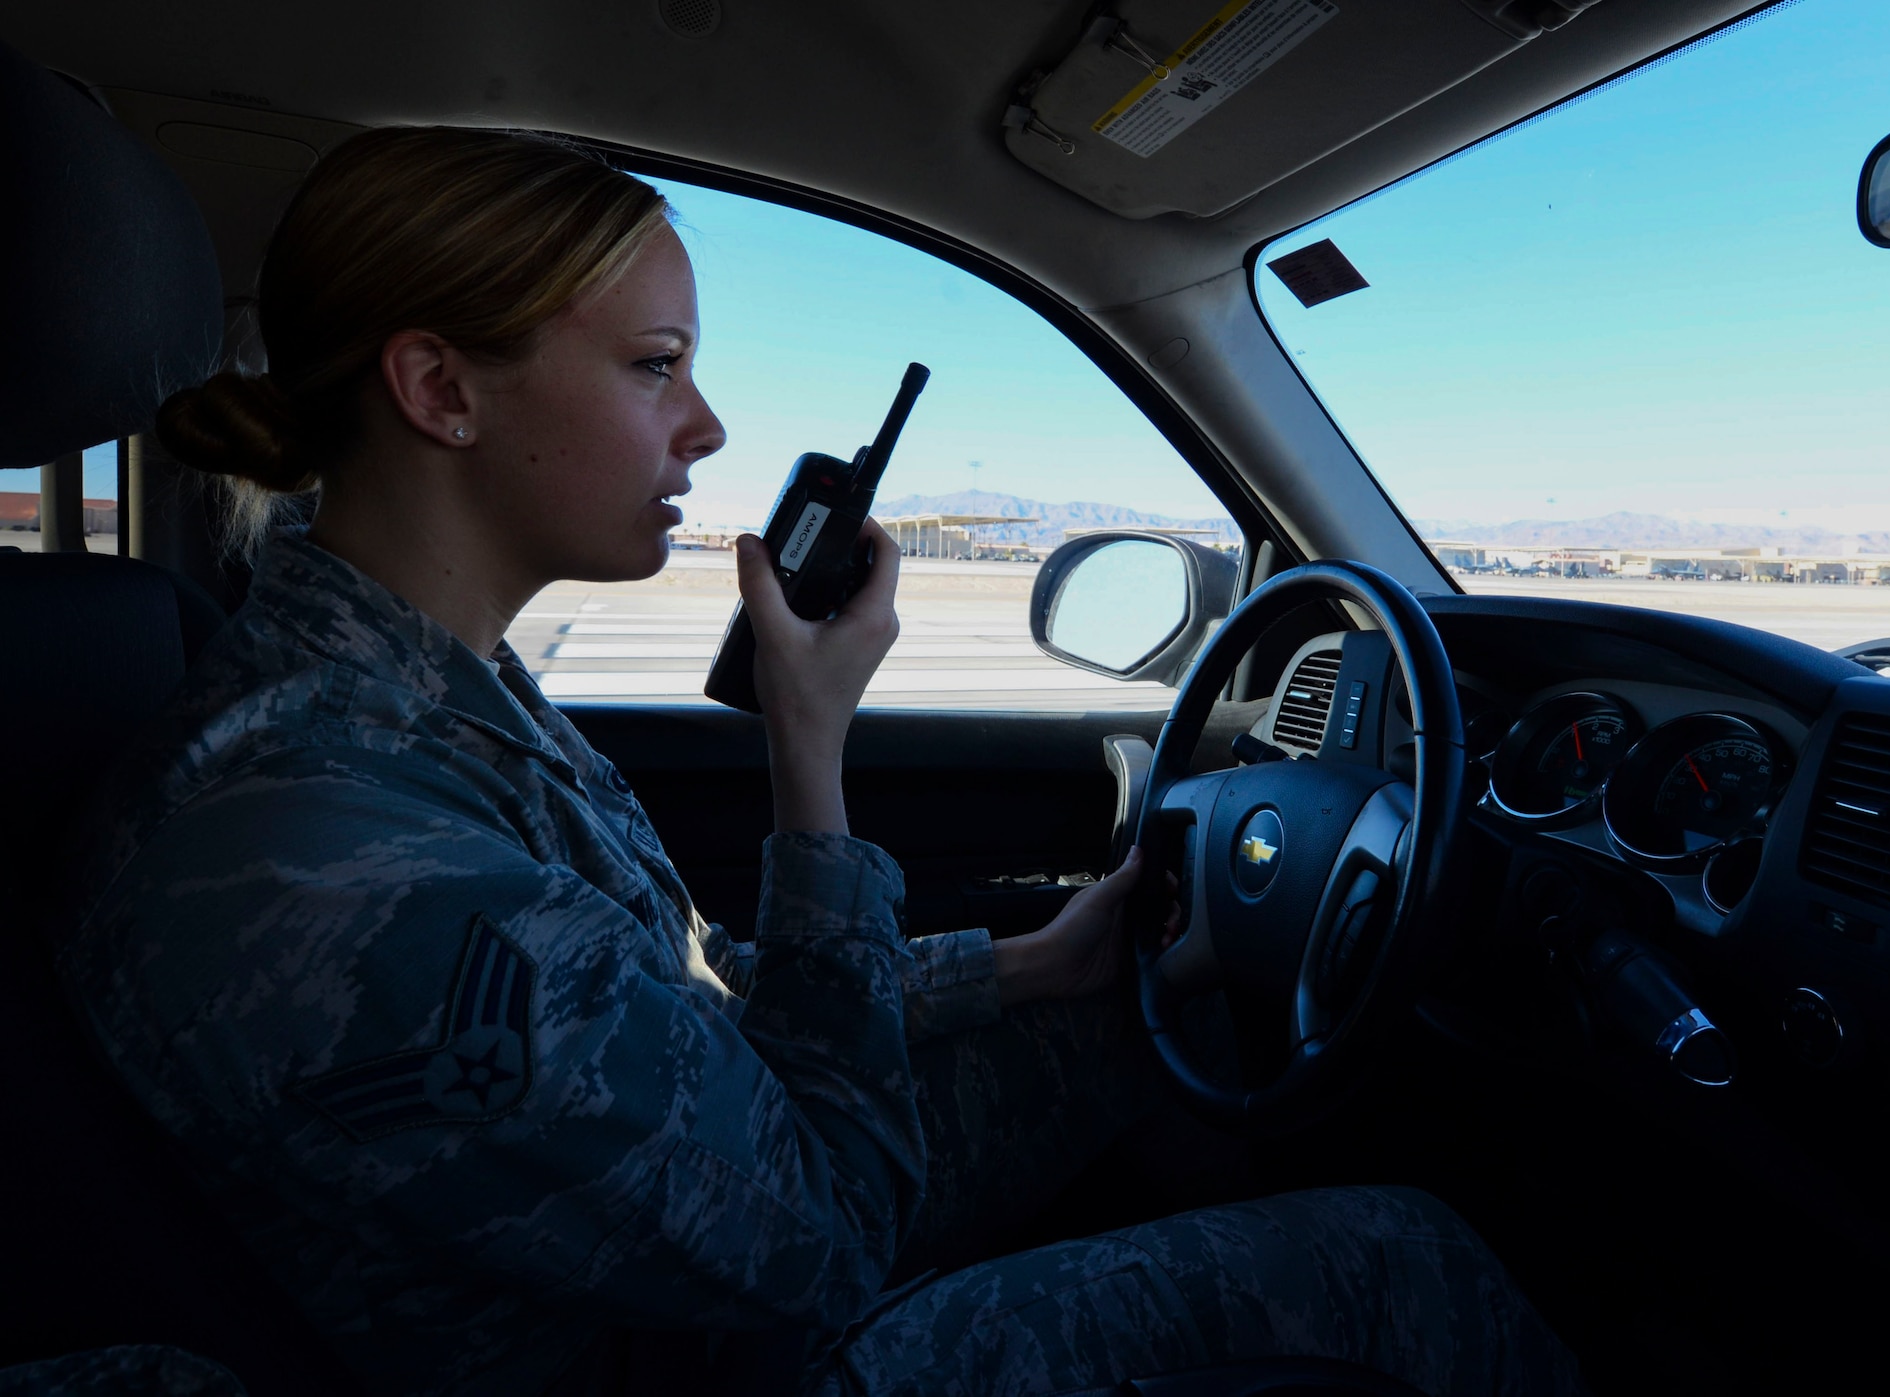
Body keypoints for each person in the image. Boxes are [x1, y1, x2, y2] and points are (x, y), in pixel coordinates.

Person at [57, 127, 1583, 1396]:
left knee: (1139, 1016)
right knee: (1401, 1258)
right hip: (689, 1353)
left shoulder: (412, 694)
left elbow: (688, 1000)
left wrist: (1032, 966)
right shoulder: (335, 855)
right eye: (657, 366)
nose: (708, 427)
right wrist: (810, 753)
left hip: (657, 1258)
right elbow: (828, 1236)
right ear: (442, 391)